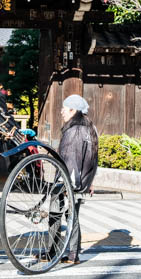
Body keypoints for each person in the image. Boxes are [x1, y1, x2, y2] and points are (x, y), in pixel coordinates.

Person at [54, 94, 98, 264]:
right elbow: (91, 159)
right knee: (72, 215)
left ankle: (64, 252)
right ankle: (71, 253)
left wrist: (66, 183)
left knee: (59, 213)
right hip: (81, 180)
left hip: (69, 180)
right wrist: (90, 181)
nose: (61, 112)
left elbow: (71, 159)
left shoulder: (74, 130)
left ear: (73, 110)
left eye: (64, 109)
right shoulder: (89, 129)